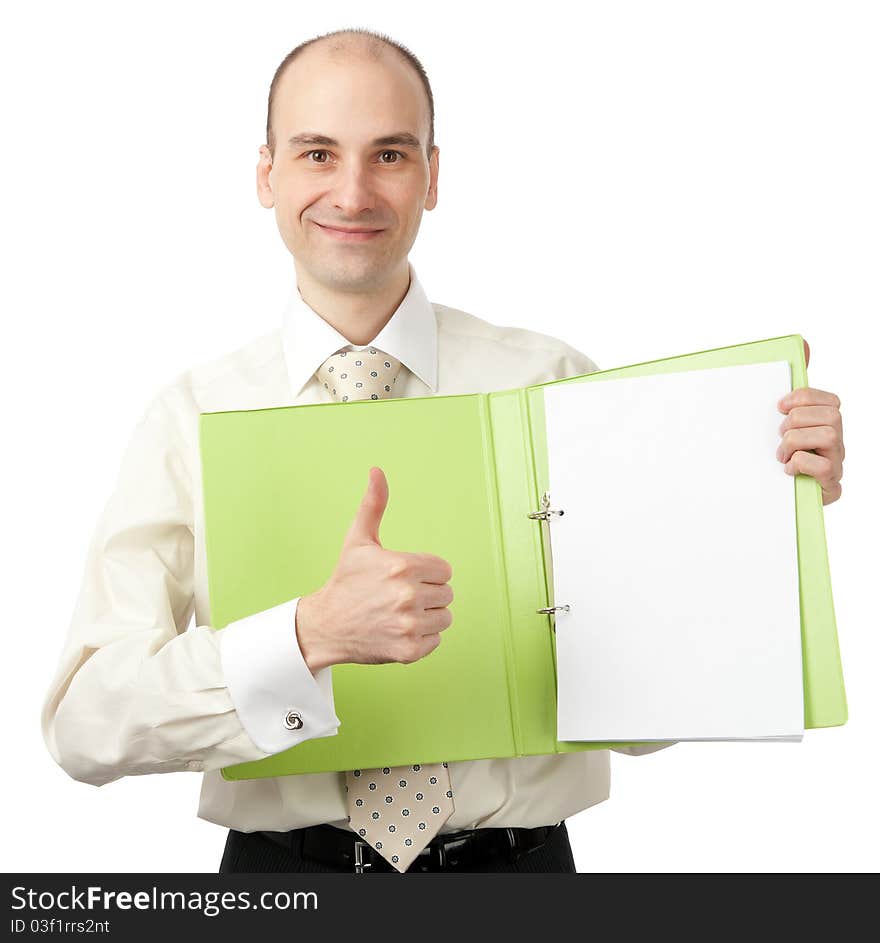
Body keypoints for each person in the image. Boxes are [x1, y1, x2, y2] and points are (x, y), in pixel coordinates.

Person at [41, 27, 846, 874]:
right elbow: (86, 725)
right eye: (318, 152)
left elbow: (654, 702)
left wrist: (762, 506)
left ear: (432, 175)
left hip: (521, 874)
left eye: (388, 154)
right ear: (266, 173)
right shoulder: (190, 414)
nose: (352, 192)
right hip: (285, 877)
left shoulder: (554, 383)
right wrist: (305, 636)